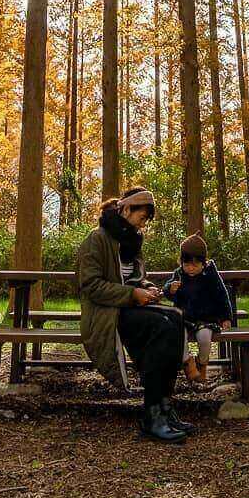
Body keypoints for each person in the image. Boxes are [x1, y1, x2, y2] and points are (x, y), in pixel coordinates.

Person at [75, 187, 194, 443]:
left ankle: (164, 406)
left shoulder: (132, 239)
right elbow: (91, 286)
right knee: (160, 328)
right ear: (127, 209)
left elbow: (133, 278)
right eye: (142, 217)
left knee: (175, 318)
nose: (144, 224)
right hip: (106, 313)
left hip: (129, 307)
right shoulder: (97, 239)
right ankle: (152, 416)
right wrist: (132, 295)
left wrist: (144, 288)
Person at [162, 233, 232, 384]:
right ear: (181, 262)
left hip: (205, 319)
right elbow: (167, 292)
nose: (190, 269)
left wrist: (226, 317)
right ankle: (188, 363)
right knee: (177, 336)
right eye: (186, 265)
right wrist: (170, 289)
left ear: (203, 263)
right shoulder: (179, 274)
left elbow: (222, 295)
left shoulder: (210, 275)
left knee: (205, 338)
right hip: (184, 318)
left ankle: (202, 365)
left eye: (195, 265)